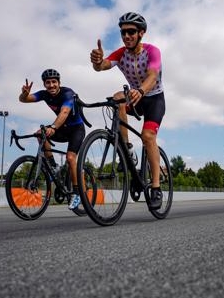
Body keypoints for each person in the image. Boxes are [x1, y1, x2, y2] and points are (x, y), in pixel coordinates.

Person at [90, 12, 165, 210]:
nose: (126, 36)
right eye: (123, 32)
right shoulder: (121, 53)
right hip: (134, 97)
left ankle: (156, 187)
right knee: (117, 98)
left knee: (148, 137)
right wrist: (97, 62)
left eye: (131, 32)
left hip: (153, 99)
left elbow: (153, 74)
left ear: (142, 33)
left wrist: (141, 90)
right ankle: (127, 150)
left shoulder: (152, 51)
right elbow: (102, 66)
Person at [19, 69, 85, 211]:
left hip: (76, 129)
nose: (51, 85)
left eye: (54, 82)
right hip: (62, 128)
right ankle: (53, 166)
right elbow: (23, 100)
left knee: (71, 157)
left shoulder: (68, 93)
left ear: (59, 83)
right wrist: (24, 94)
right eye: (48, 83)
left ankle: (77, 193)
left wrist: (54, 127)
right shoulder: (44, 94)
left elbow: (65, 112)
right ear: (44, 84)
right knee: (40, 134)